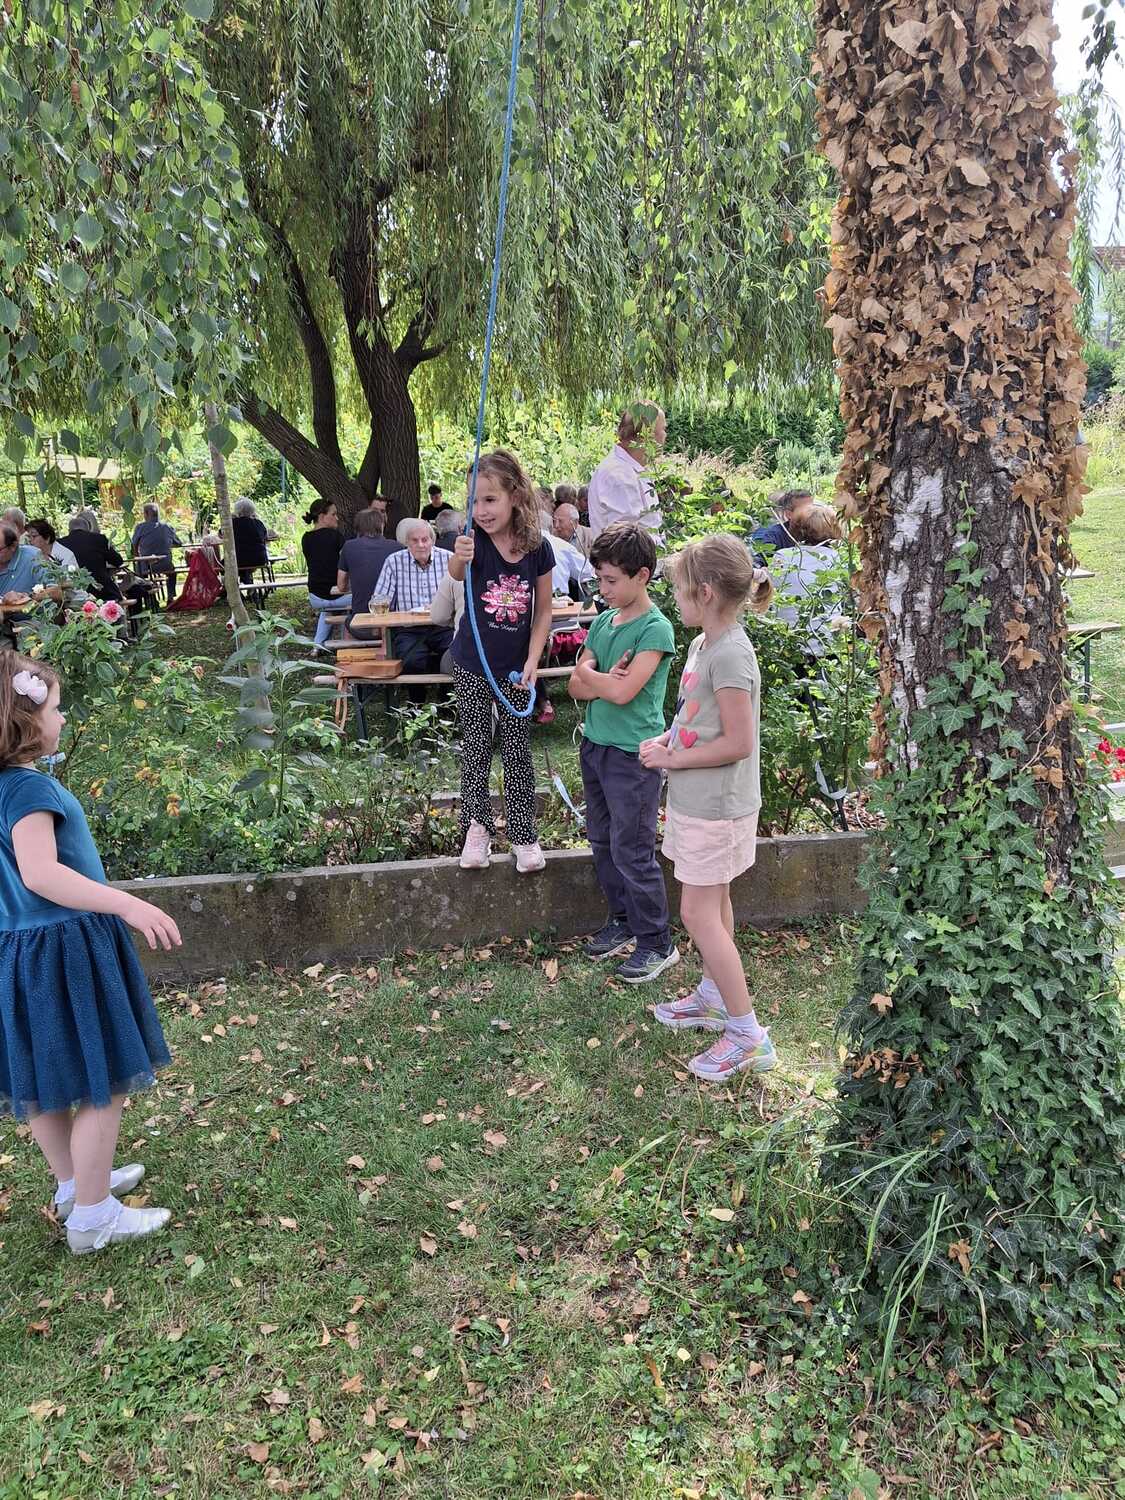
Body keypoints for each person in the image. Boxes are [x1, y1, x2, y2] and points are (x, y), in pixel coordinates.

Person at [0, 654, 180, 1253]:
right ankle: (94, 1217)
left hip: (18, 948)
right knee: (105, 1076)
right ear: (24, 721)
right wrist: (126, 904)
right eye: (54, 709)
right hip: (66, 947)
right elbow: (41, 873)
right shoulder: (29, 788)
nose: (62, 718)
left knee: (45, 1079)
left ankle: (76, 1185)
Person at [640, 533, 777, 1081]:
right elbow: (694, 717)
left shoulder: (732, 655)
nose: (673, 598)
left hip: (718, 808)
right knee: (713, 904)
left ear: (705, 592)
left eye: (678, 589)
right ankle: (715, 996)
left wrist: (673, 760)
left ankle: (747, 1035)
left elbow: (739, 742)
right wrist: (667, 742)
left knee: (697, 913)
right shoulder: (703, 644)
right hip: (697, 801)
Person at [568, 522, 679, 982]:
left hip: (633, 757)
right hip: (595, 746)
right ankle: (621, 921)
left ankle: (657, 942)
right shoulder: (602, 621)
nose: (604, 588)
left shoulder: (655, 629)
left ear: (642, 576)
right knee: (601, 840)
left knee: (631, 849)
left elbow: (622, 692)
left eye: (612, 580)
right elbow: (575, 686)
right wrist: (599, 679)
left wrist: (596, 678)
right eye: (600, 579)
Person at [448, 449, 554, 875]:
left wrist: (533, 661)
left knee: (516, 749)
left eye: (490, 499)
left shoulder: (537, 548)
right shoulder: (471, 541)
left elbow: (543, 612)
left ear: (515, 496)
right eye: (474, 501)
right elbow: (456, 574)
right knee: (476, 745)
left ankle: (524, 835)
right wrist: (459, 554)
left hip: (514, 668)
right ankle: (477, 828)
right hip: (472, 663)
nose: (481, 510)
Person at [372, 519, 452, 698]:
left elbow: (463, 595)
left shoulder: (448, 559)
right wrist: (383, 643)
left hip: (443, 626)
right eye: (415, 540)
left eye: (425, 539)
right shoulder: (394, 561)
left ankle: (446, 701)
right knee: (411, 660)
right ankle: (416, 702)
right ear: (406, 543)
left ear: (432, 540)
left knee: (454, 655)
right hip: (409, 629)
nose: (421, 545)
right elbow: (380, 600)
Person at [769, 503, 845, 659]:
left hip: (788, 646)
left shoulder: (782, 556)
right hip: (826, 646)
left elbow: (771, 596)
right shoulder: (836, 559)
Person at [587, 402, 666, 538]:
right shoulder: (618, 474)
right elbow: (626, 541)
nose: (665, 435)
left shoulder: (632, 468)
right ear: (646, 435)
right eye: (663, 429)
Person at [335, 506, 402, 637]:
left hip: (362, 627)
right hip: (394, 625)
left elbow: (341, 586)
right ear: (382, 525)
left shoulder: (349, 547)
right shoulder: (397, 547)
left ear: (358, 527)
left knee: (348, 620)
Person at [301, 499, 346, 648]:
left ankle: (318, 645)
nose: (337, 518)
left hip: (316, 596)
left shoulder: (306, 538)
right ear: (322, 516)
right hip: (339, 596)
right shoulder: (336, 536)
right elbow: (346, 565)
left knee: (328, 610)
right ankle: (348, 641)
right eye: (333, 514)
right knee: (358, 600)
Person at [64, 510, 124, 600]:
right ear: (87, 528)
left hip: (75, 594)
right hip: (104, 592)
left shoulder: (61, 543)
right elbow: (118, 561)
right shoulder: (99, 539)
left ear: (69, 530)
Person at [130, 503, 182, 605]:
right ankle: (170, 597)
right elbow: (178, 543)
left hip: (146, 565)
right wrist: (165, 544)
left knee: (138, 574)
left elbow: (133, 545)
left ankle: (151, 598)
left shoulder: (140, 527)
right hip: (165, 564)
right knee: (172, 573)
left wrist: (137, 555)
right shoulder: (167, 527)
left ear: (146, 514)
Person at [749, 488, 815, 566]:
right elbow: (758, 562)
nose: (812, 514)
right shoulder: (774, 536)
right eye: (806, 511)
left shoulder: (817, 532)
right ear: (789, 514)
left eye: (813, 510)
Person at [231, 498, 275, 584]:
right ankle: (247, 581)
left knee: (223, 564)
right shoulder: (259, 523)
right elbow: (265, 537)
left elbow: (221, 534)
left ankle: (241, 583)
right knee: (246, 558)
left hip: (239, 560)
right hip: (260, 559)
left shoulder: (232, 523)